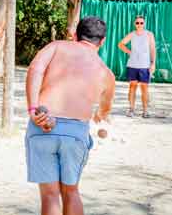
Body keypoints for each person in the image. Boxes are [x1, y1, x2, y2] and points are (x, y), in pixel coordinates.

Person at [25, 16, 115, 215]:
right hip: (76, 133)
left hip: (43, 124)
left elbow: (35, 69)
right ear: (102, 41)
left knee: (49, 195)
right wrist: (101, 115)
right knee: (71, 191)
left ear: (75, 35)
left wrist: (33, 109)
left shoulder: (56, 47)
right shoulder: (106, 73)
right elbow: (104, 109)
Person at [118, 15, 156, 118]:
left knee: (144, 89)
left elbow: (152, 49)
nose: (139, 25)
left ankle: (145, 111)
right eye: (137, 23)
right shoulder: (132, 34)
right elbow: (120, 44)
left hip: (145, 65)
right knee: (132, 87)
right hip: (132, 65)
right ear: (135, 24)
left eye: (141, 23)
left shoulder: (149, 34)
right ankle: (131, 109)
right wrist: (129, 52)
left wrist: (153, 63)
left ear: (144, 24)